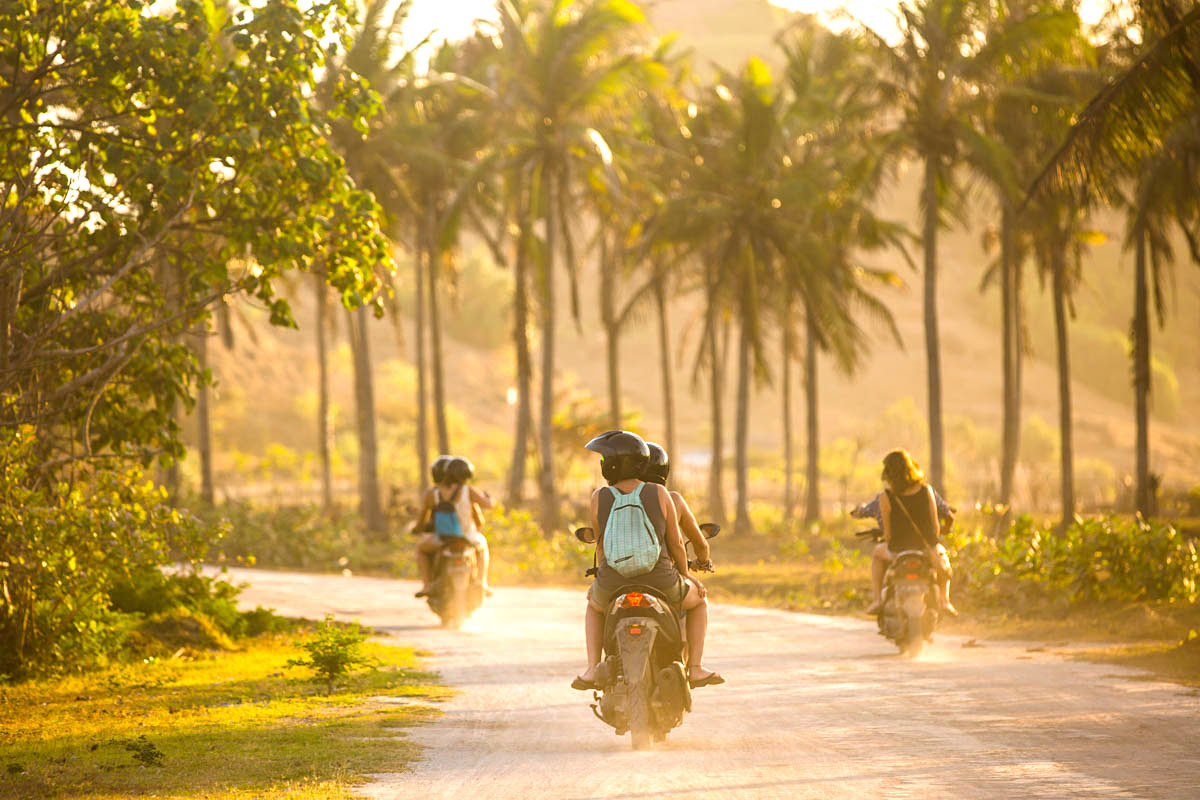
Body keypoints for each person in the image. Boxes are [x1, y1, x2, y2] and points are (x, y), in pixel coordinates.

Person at [572, 430, 722, 691]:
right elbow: (676, 543)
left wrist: (603, 578)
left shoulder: (599, 497)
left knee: (593, 606)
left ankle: (592, 668)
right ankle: (695, 668)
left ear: (613, 464)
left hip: (612, 583)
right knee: (699, 601)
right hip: (660, 581)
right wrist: (687, 576)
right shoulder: (660, 493)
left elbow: (602, 543)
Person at [865, 449, 958, 617]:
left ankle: (877, 600)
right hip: (926, 549)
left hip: (897, 551)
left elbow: (888, 534)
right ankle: (945, 601)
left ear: (888, 473)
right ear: (911, 468)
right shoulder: (926, 490)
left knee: (877, 555)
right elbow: (935, 526)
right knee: (943, 559)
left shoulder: (885, 497)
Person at [414, 455, 493, 598]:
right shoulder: (468, 491)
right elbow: (487, 506)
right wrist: (489, 498)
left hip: (443, 539)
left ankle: (427, 585)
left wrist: (417, 529)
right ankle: (481, 582)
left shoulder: (432, 494)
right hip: (467, 537)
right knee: (482, 548)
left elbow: (421, 521)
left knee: (421, 549)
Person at [643, 442, 713, 571]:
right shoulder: (673, 499)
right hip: (662, 576)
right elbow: (699, 545)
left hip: (615, 580)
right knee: (698, 591)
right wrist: (704, 562)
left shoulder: (613, 499)